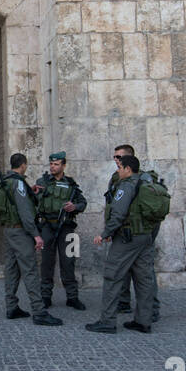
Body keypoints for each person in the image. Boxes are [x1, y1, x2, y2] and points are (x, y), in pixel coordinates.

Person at [86, 154, 156, 333]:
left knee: (112, 275)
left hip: (128, 237)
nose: (118, 171)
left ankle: (107, 321)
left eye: (120, 168)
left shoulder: (126, 185)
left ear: (128, 169)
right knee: (144, 279)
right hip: (145, 236)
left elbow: (118, 213)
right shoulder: (146, 182)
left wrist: (105, 233)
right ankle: (143, 321)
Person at [0, 154, 62, 326]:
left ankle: (11, 307)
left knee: (11, 269)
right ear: (23, 165)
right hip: (20, 232)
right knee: (30, 270)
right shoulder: (18, 183)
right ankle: (39, 311)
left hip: (9, 230)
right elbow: (25, 213)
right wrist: (35, 235)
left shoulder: (6, 180)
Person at [107, 143, 161, 323]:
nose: (116, 160)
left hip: (134, 233)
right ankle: (129, 307)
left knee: (139, 275)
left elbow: (151, 208)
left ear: (129, 160)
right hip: (126, 232)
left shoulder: (141, 179)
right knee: (136, 273)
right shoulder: (116, 178)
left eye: (119, 158)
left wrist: (107, 231)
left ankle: (151, 310)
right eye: (115, 157)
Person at [34, 151, 87, 310]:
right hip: (47, 227)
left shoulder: (71, 184)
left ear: (63, 165)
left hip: (67, 228)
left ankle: (72, 297)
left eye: (56, 164)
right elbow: (33, 201)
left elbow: (83, 203)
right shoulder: (42, 182)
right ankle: (45, 297)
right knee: (46, 264)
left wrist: (74, 206)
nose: (53, 167)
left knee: (69, 261)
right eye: (51, 164)